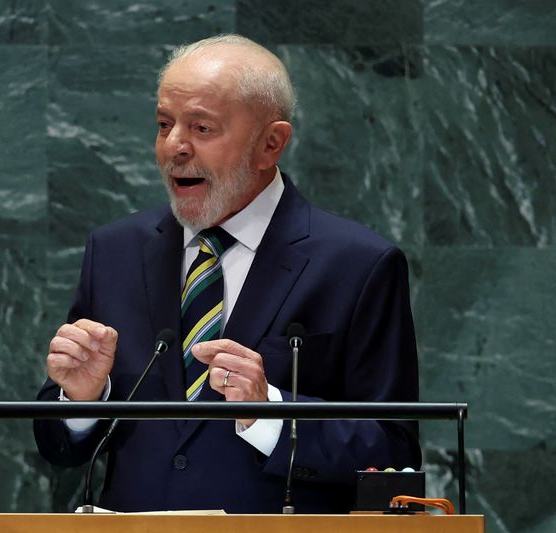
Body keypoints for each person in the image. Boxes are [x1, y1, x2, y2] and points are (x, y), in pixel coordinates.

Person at [34, 34, 421, 514]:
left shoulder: (358, 265)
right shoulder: (114, 250)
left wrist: (271, 410)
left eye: (201, 128)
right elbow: (59, 446)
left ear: (271, 144)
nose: (174, 146)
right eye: (163, 124)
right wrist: (83, 399)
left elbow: (394, 452)